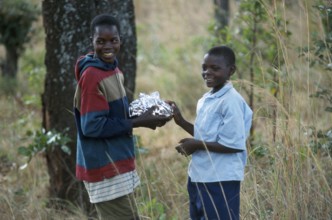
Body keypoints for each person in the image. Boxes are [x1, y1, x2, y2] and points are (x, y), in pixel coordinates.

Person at [73, 14, 171, 220]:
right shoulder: (92, 75)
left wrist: (151, 111)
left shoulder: (113, 70)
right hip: (104, 168)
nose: (107, 46)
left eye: (113, 40)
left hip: (118, 161)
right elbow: (92, 126)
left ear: (120, 40)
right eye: (101, 41)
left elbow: (114, 114)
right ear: (92, 42)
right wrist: (138, 122)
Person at [168, 45, 253, 220]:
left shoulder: (231, 102)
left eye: (215, 68)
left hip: (221, 179)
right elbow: (205, 135)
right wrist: (181, 120)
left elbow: (234, 144)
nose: (207, 72)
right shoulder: (206, 99)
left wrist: (196, 145)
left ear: (231, 71)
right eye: (204, 67)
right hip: (199, 176)